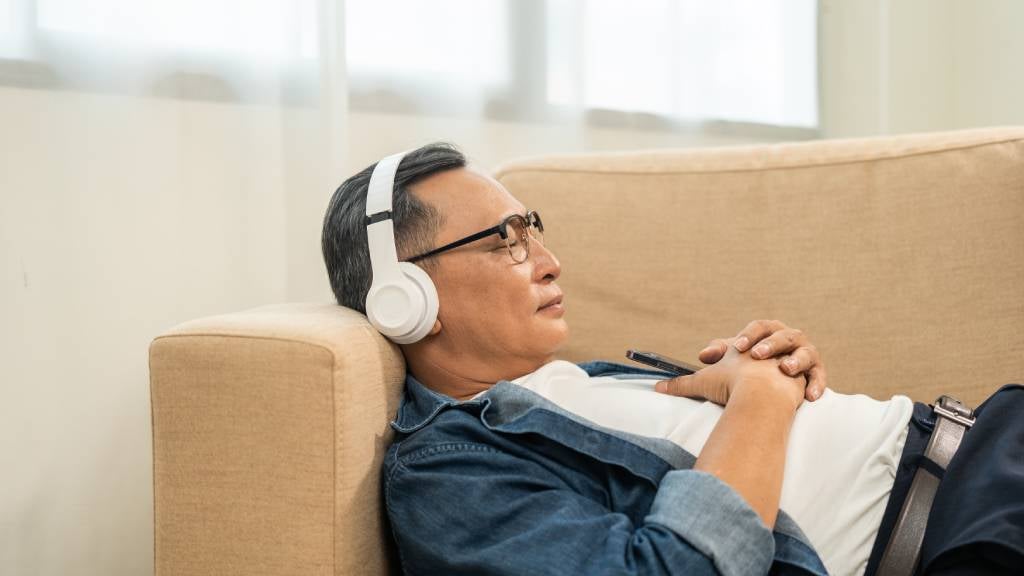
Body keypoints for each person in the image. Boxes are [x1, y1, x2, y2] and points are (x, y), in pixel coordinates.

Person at [321, 143, 1022, 576]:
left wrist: (774, 369)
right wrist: (761, 405)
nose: (549, 261)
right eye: (505, 239)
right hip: (962, 531)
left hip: (986, 441)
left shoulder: (579, 381)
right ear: (403, 298)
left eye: (532, 230)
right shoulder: (450, 473)